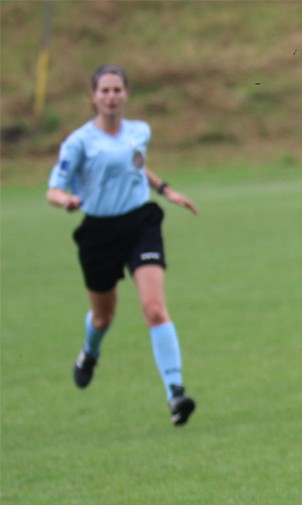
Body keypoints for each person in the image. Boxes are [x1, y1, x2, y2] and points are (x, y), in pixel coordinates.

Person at [47, 64, 199, 426]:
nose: (111, 97)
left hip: (140, 224)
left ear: (126, 94)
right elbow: (53, 188)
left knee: (155, 309)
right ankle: (90, 352)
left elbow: (137, 166)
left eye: (117, 90)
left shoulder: (139, 131)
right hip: (99, 233)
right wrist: (66, 201)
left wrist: (165, 190)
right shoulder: (79, 142)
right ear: (94, 96)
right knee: (103, 318)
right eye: (105, 90)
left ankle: (176, 394)